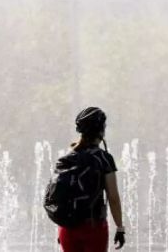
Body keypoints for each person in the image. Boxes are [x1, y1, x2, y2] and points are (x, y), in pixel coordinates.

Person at [51, 107, 126, 252]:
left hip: (67, 227)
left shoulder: (67, 157)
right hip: (94, 227)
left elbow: (59, 194)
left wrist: (61, 224)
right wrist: (120, 228)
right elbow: (113, 197)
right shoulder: (104, 158)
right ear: (101, 130)